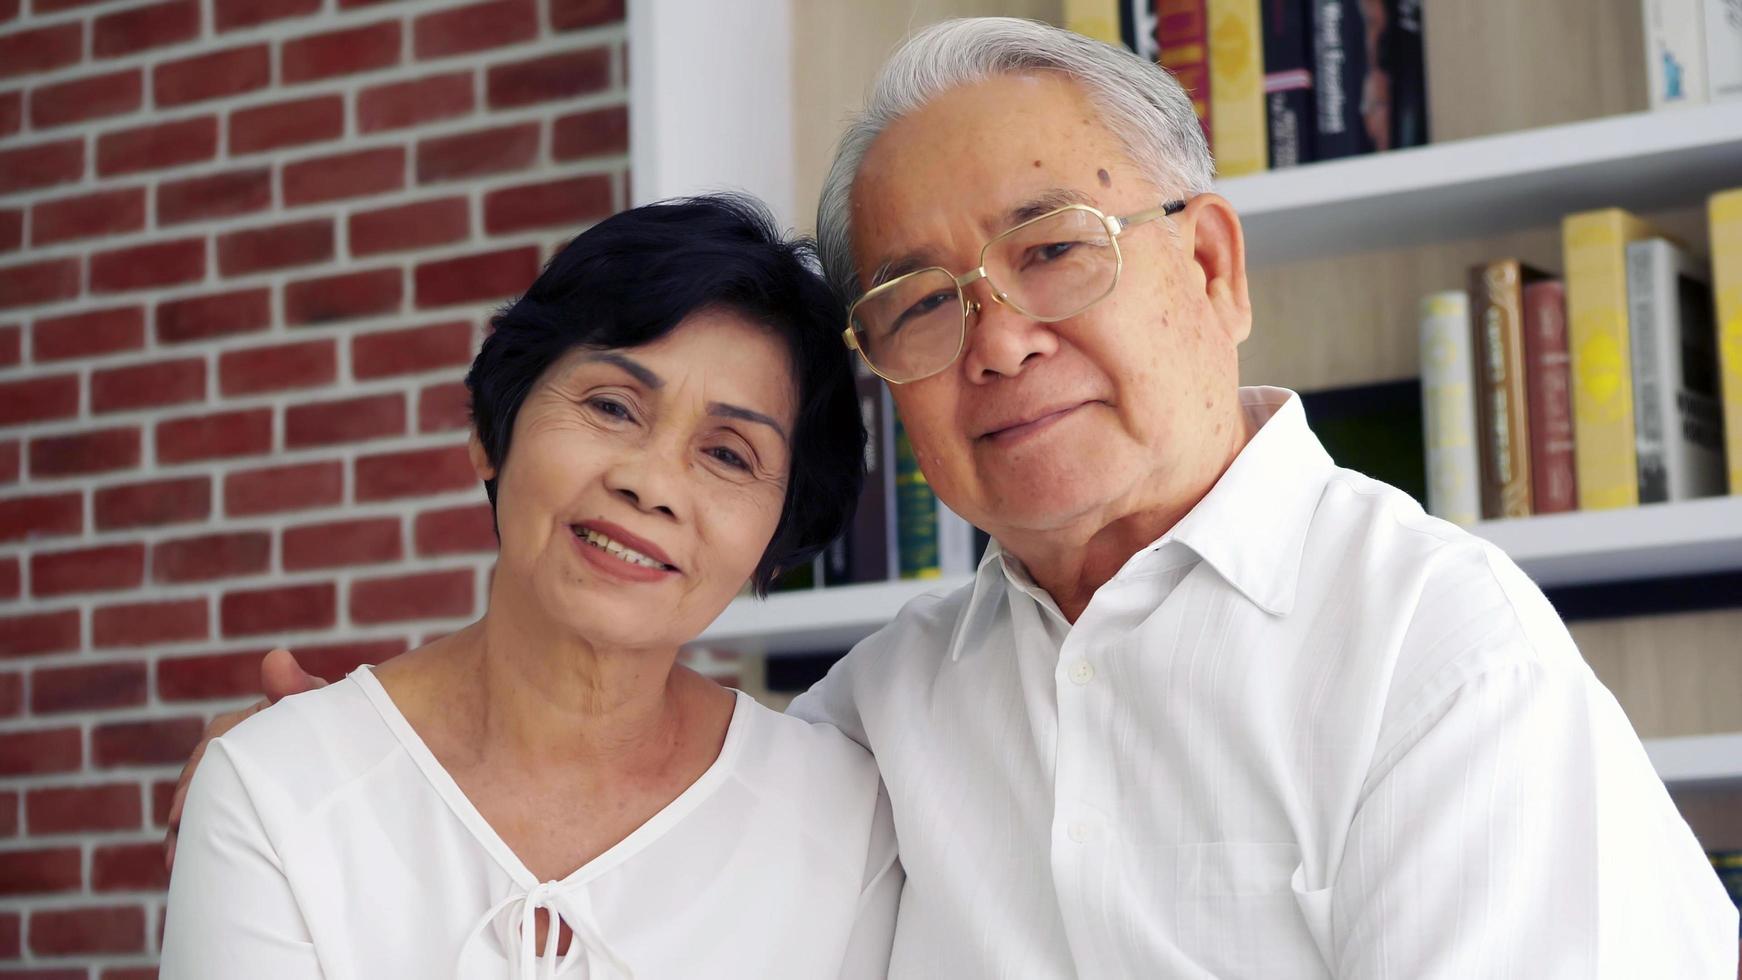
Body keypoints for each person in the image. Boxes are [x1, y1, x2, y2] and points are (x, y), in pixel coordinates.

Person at [170, 17, 1740, 978]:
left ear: (1209, 266)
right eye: (920, 301)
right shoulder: (890, 710)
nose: (997, 339)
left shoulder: (1435, 655)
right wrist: (345, 772)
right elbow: (625, 764)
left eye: (1054, 247)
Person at [159, 195, 900, 979]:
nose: (651, 485)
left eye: (728, 455)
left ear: (777, 539)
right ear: (491, 429)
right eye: (612, 406)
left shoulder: (844, 824)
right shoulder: (277, 791)